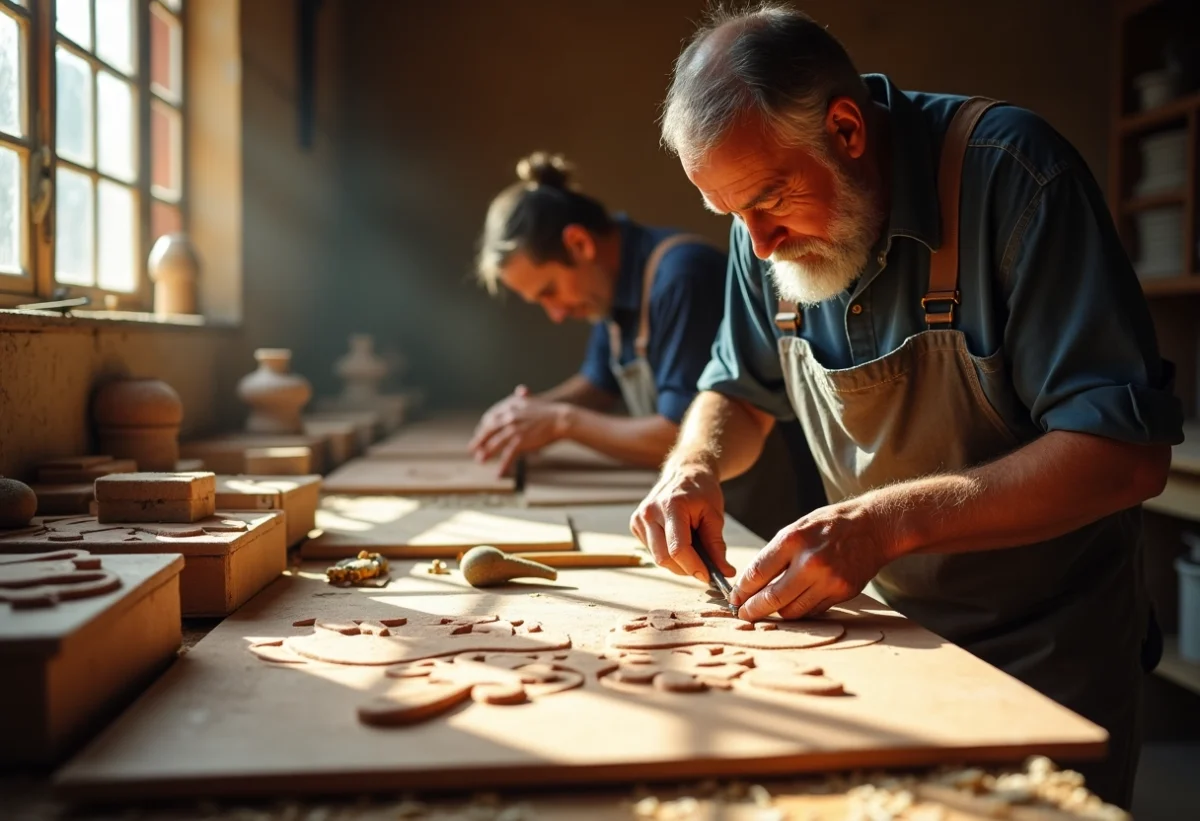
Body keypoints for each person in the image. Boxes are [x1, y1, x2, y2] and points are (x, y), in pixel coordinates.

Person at [631, 4, 1183, 808]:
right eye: (730, 216)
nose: (757, 245)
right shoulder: (764, 234)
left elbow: (1125, 455)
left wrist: (880, 524)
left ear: (848, 130)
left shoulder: (1014, 178)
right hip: (873, 639)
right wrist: (692, 466)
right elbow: (737, 391)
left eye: (769, 202)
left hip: (1045, 655)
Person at [471, 151, 825, 538]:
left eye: (550, 292)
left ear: (578, 244)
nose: (555, 313)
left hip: (766, 515)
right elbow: (597, 385)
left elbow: (679, 433)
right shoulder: (612, 290)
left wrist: (559, 421)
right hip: (707, 509)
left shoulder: (680, 277)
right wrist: (526, 415)